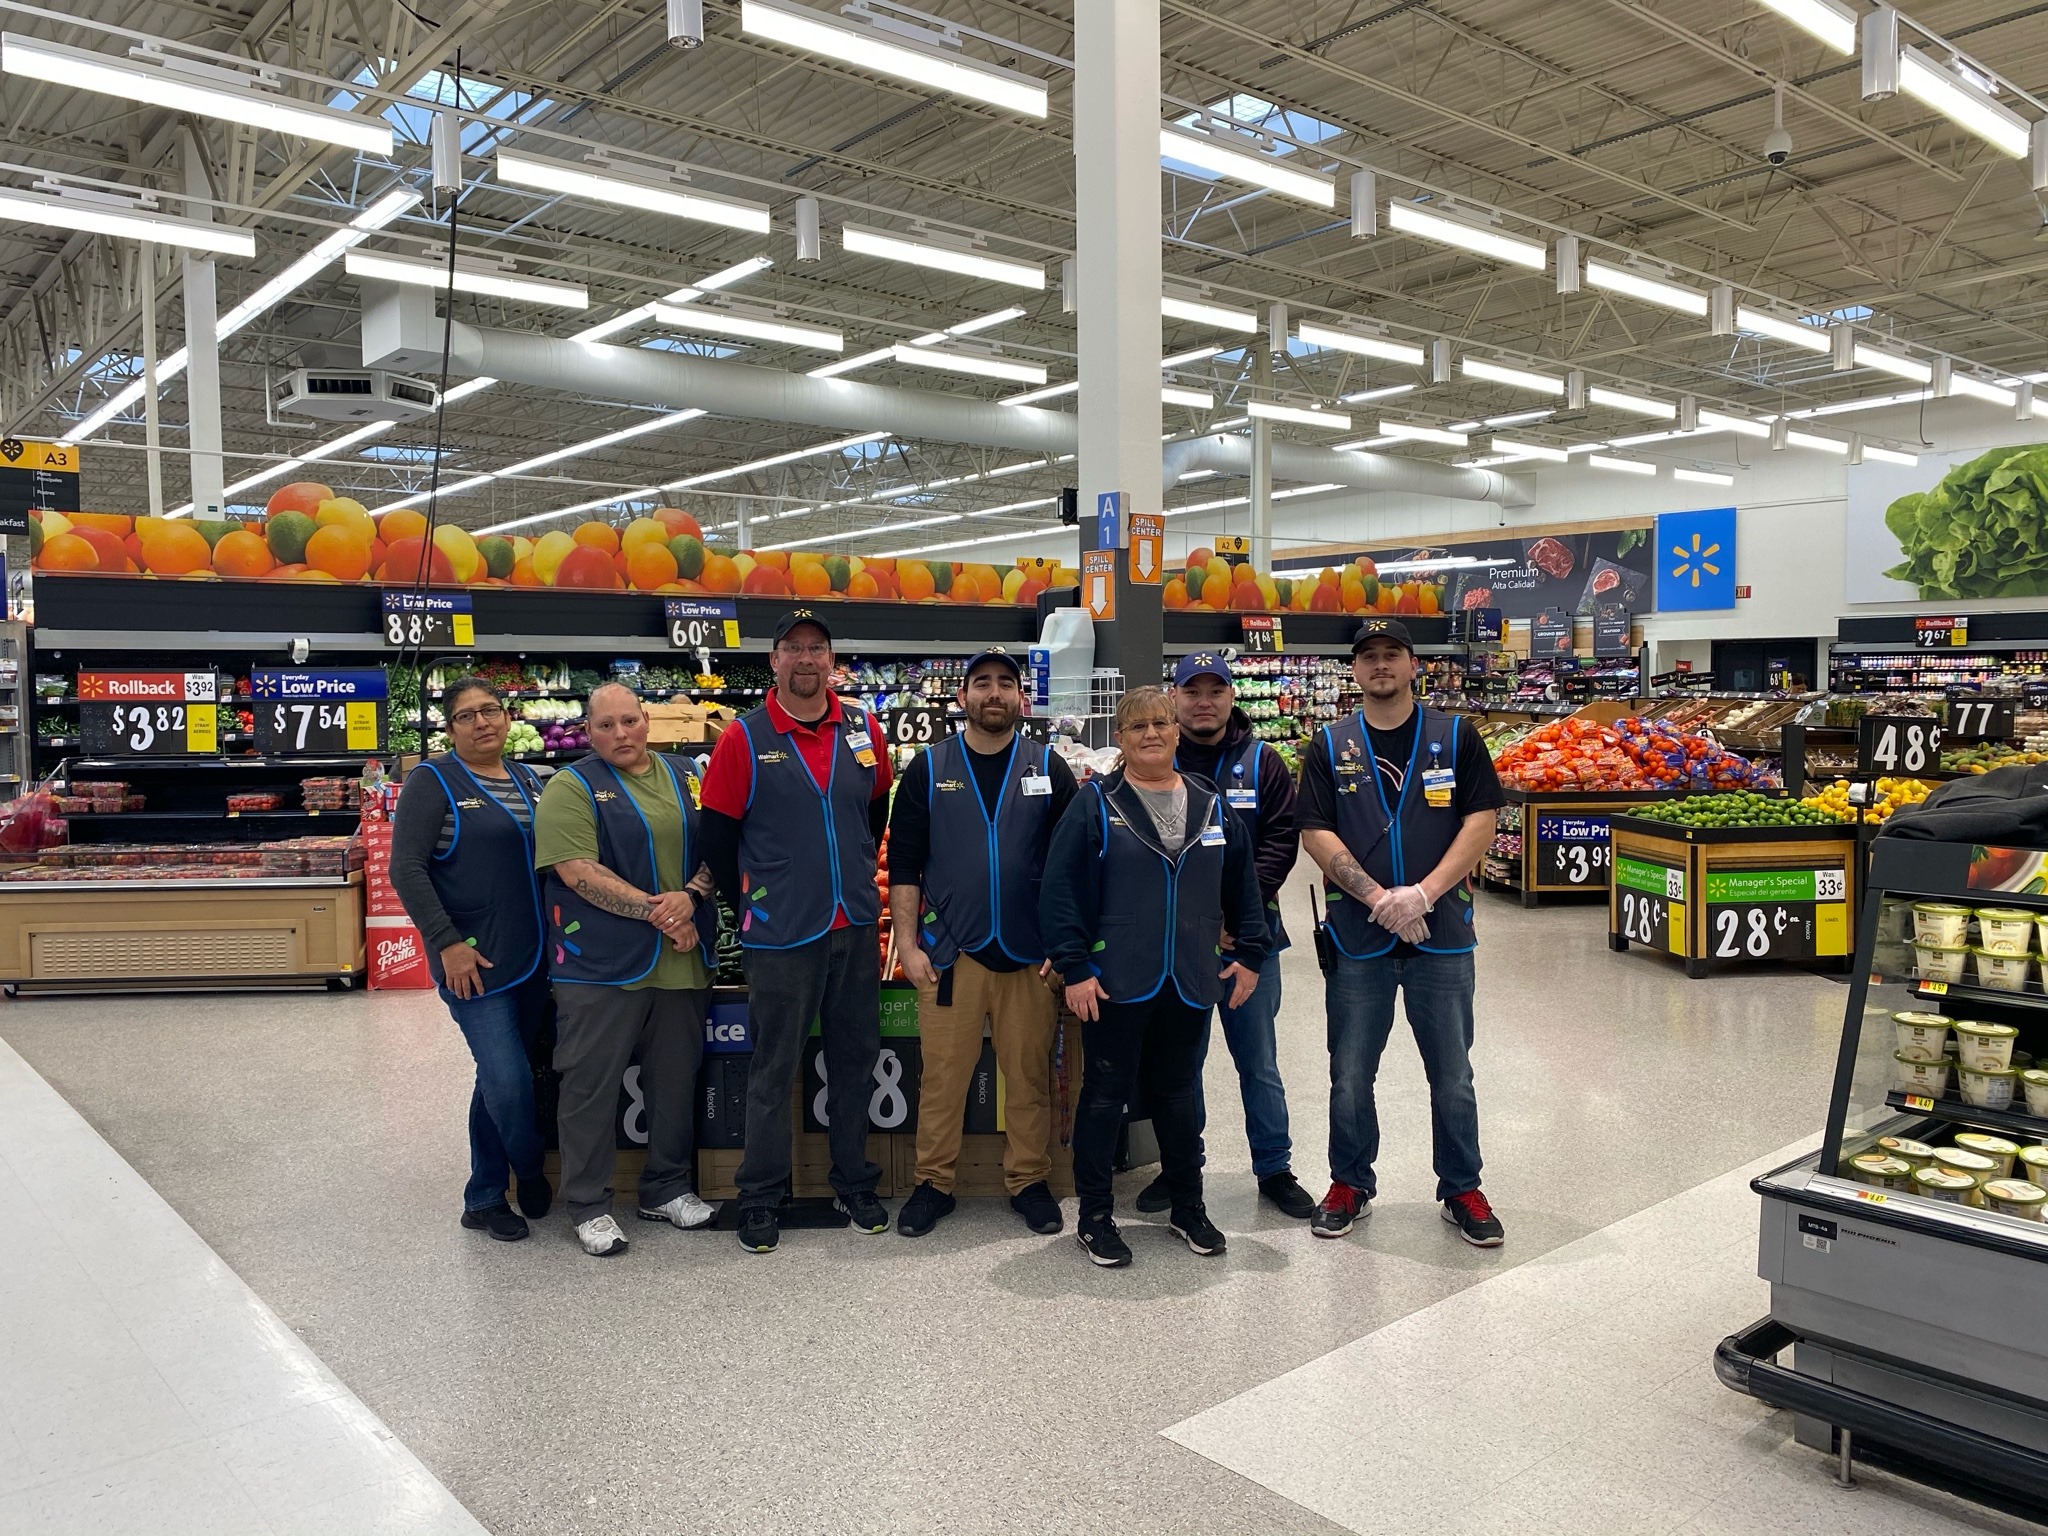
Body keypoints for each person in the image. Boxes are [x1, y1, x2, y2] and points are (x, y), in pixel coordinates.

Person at [1041, 685, 1269, 1268]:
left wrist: (1251, 954)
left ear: (1176, 731)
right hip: (1115, 977)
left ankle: (1188, 1207)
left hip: (1189, 977)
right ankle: (1095, 1217)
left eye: (1161, 723)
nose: (1151, 734)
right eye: (1138, 725)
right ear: (1120, 738)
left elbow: (1243, 885)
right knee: (1104, 1095)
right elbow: (1061, 890)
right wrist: (1074, 967)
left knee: (1179, 1093)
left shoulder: (1210, 803)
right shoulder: (1096, 803)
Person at [1298, 618, 1506, 1247]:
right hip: (1358, 936)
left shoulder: (1457, 736)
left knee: (1453, 1075)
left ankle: (1462, 1188)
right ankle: (1349, 1182)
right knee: (1349, 1072)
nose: (1381, 665)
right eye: (1369, 656)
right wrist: (1378, 897)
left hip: (1442, 933)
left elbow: (1481, 821)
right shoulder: (1330, 744)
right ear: (1355, 670)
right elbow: (1315, 830)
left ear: (1414, 665)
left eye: (1393, 654)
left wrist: (1423, 894)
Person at [699, 608, 893, 1254]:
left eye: (817, 648)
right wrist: (751, 902)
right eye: (793, 647)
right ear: (774, 660)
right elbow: (717, 833)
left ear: (831, 661)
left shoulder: (864, 729)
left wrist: (854, 873)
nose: (806, 658)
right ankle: (759, 1194)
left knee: (854, 1061)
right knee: (772, 1067)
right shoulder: (743, 739)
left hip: (855, 924)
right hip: (780, 934)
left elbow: (873, 809)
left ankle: (854, 1181)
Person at [886, 646, 1077, 1239]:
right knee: (942, 1077)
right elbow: (904, 865)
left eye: (1005, 683)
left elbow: (1073, 865)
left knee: (1028, 1076)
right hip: (951, 954)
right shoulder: (928, 768)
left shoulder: (1049, 766)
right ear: (962, 696)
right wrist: (908, 944)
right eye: (982, 682)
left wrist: (1065, 945)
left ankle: (1029, 1180)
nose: (994, 693)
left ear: (1020, 697)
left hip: (1031, 955)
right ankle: (932, 1183)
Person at [533, 682, 719, 1258]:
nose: (621, 734)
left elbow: (718, 842)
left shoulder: (688, 773)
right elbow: (577, 871)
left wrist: (692, 896)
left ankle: (666, 1187)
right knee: (591, 1085)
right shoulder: (571, 787)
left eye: (630, 721)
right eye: (606, 725)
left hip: (681, 962)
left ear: (647, 721)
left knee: (674, 1080)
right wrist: (666, 914)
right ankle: (588, 1203)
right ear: (588, 732)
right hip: (599, 967)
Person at [1132, 651, 1312, 1220]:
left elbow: (1281, 842)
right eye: (1192, 691)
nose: (1204, 702)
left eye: (1215, 691)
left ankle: (1275, 1168)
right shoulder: (1153, 764)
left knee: (1258, 1061)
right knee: (1181, 1065)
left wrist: (1239, 915)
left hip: (1251, 943)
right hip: (1180, 945)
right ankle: (1181, 1167)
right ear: (1175, 698)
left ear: (1233, 696)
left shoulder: (1264, 763)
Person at [389, 677, 552, 1243]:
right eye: (467, 715)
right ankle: (528, 1168)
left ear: (507, 718)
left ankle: (483, 1196)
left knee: (496, 1076)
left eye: (491, 710)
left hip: (533, 957)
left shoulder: (529, 779)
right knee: (509, 1080)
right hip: (473, 962)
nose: (483, 722)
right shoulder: (432, 781)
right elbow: (405, 868)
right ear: (450, 728)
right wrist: (446, 942)